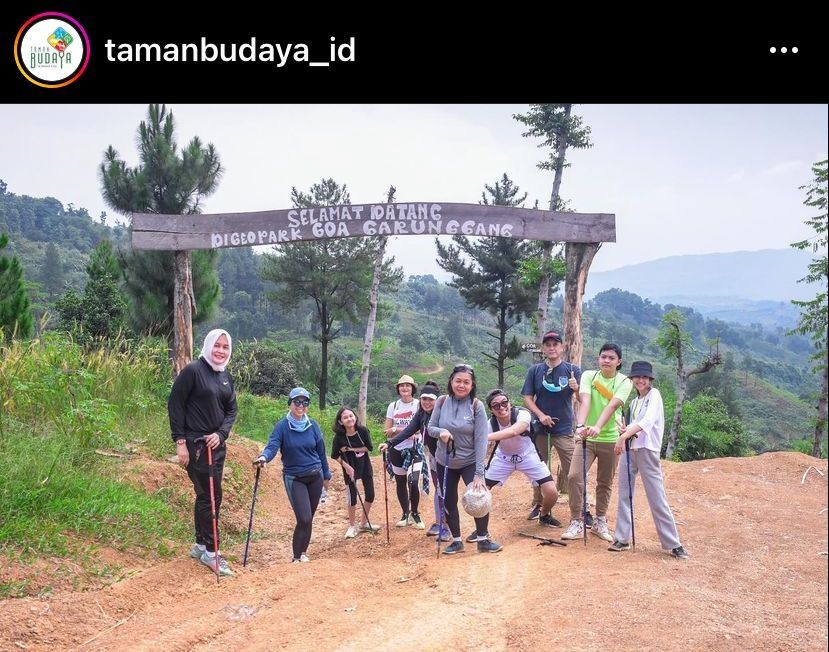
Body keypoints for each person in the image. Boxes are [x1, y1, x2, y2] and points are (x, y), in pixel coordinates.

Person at [168, 328, 238, 577]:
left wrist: (221, 434)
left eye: (225, 347)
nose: (220, 351)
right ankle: (212, 552)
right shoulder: (193, 371)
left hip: (216, 447)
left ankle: (200, 545)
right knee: (210, 497)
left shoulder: (225, 376)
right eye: (217, 346)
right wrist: (180, 442)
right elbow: (175, 403)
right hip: (197, 447)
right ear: (208, 346)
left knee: (206, 495)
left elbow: (231, 410)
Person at [609, 361, 689, 559]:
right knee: (625, 495)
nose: (640, 380)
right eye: (637, 377)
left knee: (656, 497)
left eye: (644, 377)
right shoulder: (635, 402)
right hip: (631, 449)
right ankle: (622, 538)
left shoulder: (655, 395)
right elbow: (635, 425)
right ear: (632, 379)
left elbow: (647, 422)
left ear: (650, 379)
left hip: (647, 450)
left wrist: (623, 436)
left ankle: (674, 543)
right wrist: (625, 431)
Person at [463, 389, 560, 544]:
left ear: (509, 403)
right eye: (496, 406)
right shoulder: (490, 424)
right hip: (503, 458)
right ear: (491, 410)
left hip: (528, 455)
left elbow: (515, 431)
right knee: (479, 492)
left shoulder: (523, 414)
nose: (501, 407)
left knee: (552, 493)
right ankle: (481, 530)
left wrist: (482, 438)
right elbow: (480, 449)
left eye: (504, 403)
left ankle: (545, 514)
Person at [562, 343, 633, 542]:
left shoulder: (624, 382)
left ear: (619, 362)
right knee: (574, 476)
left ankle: (600, 520)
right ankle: (576, 520)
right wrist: (581, 425)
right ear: (598, 359)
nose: (607, 361)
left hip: (610, 439)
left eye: (611, 358)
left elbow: (612, 406)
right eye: (603, 357)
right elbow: (585, 401)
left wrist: (599, 427)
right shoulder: (589, 376)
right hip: (586, 437)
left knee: (604, 482)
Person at [428, 364, 502, 554]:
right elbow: (431, 428)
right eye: (458, 381)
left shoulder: (476, 406)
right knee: (448, 500)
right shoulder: (442, 402)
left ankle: (483, 539)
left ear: (472, 384)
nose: (461, 385)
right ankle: (457, 540)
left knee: (479, 497)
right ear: (451, 381)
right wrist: (442, 432)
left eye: (466, 382)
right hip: (445, 461)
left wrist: (479, 474)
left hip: (469, 461)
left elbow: (480, 441)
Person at [254, 387, 332, 563]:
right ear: (290, 404)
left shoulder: (313, 425)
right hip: (294, 477)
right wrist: (264, 457)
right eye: (297, 402)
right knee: (303, 517)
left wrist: (326, 473)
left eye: (304, 402)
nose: (301, 406)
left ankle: (302, 553)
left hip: (315, 476)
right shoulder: (282, 426)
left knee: (309, 518)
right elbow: (273, 445)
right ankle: (296, 557)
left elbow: (321, 451)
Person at [521, 329, 583, 523]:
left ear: (562, 347)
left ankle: (580, 510)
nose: (552, 347)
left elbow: (583, 400)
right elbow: (527, 398)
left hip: (564, 429)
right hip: (540, 429)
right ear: (543, 348)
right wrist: (540, 416)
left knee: (574, 471)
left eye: (555, 344)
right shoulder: (535, 371)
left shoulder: (573, 370)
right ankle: (539, 504)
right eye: (548, 344)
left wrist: (577, 389)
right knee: (539, 468)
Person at [380, 381, 449, 541]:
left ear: (437, 400)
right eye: (424, 399)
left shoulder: (442, 414)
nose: (427, 402)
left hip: (446, 456)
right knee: (439, 490)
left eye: (431, 399)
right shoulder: (421, 414)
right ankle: (441, 524)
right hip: (433, 457)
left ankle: (448, 528)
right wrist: (390, 443)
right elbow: (410, 430)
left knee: (443, 490)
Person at [331, 406, 380, 538]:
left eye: (351, 416)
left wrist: (350, 449)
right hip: (349, 467)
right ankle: (352, 526)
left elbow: (369, 448)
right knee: (352, 498)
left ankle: (364, 523)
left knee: (370, 494)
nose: (349, 419)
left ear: (355, 417)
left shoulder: (362, 431)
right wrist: (346, 466)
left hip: (364, 465)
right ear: (340, 422)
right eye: (345, 417)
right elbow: (334, 455)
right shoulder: (339, 437)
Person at [384, 375, 424, 528]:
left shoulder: (419, 405)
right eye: (402, 386)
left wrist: (396, 429)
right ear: (398, 389)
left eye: (408, 385)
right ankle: (405, 513)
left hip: (414, 448)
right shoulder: (393, 406)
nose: (405, 388)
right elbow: (387, 431)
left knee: (413, 482)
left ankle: (415, 513)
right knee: (400, 482)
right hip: (397, 449)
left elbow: (420, 429)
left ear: (413, 388)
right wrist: (403, 430)